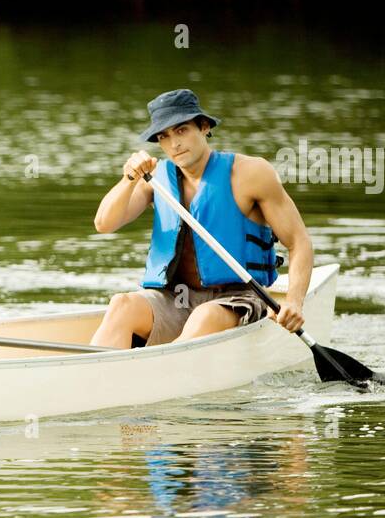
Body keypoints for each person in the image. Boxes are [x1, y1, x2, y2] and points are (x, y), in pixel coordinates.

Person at [90, 89, 312, 348]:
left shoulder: (251, 173)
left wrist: (294, 301)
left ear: (204, 126)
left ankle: (159, 371)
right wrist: (129, 179)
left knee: (204, 316)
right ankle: (94, 377)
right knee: (122, 305)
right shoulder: (156, 179)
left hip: (237, 298)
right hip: (177, 298)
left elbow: (299, 242)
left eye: (181, 130)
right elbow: (104, 224)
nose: (174, 144)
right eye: (164, 136)